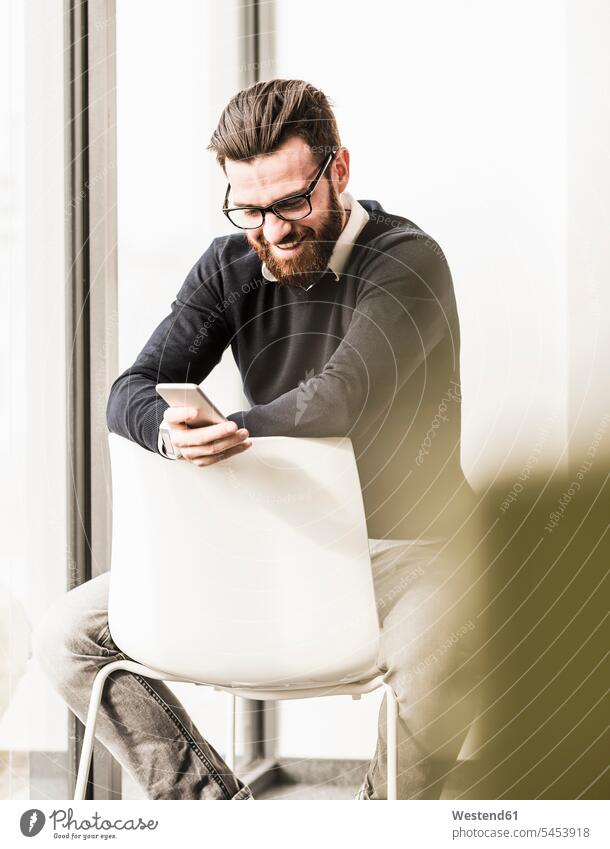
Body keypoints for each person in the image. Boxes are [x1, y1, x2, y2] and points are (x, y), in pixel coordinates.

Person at [33, 78, 484, 800]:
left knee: (458, 627)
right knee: (68, 634)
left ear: (338, 171)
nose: (272, 230)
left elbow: (337, 399)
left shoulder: (407, 262)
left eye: (291, 203)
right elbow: (132, 388)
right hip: (267, 545)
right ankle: (219, 818)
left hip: (402, 555)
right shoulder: (229, 265)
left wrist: (225, 429)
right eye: (249, 208)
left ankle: (386, 826)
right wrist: (172, 433)